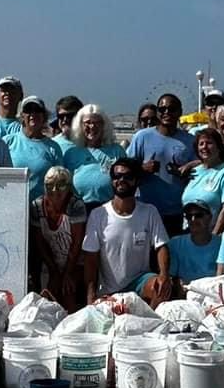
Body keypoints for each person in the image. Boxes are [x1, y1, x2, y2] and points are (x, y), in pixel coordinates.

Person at [83, 157, 171, 307]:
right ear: (111, 181)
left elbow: (161, 246)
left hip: (140, 282)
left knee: (160, 286)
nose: (121, 180)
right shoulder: (98, 214)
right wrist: (91, 296)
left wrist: (163, 275)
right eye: (117, 176)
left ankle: (150, 323)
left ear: (136, 181)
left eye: (127, 176)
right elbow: (90, 258)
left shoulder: (150, 211)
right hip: (109, 290)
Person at [127, 92, 194, 231]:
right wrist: (142, 168)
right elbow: (126, 169)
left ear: (180, 112)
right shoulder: (142, 137)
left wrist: (188, 167)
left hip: (176, 213)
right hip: (145, 210)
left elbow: (204, 166)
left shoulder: (190, 140)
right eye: (162, 109)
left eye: (172, 109)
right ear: (157, 112)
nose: (167, 112)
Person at [31, 167, 89, 310]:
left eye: (61, 185)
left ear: (69, 187)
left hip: (75, 262)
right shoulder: (37, 206)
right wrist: (54, 271)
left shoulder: (76, 205)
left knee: (68, 292)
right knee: (48, 297)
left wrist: (68, 273)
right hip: (50, 261)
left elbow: (77, 243)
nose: (55, 190)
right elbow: (40, 242)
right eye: (50, 186)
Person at [61, 104, 127, 211]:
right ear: (80, 126)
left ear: (104, 126)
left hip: (109, 209)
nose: (92, 126)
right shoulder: (71, 154)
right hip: (79, 210)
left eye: (97, 123)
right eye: (87, 123)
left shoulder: (117, 151)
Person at [5, 97, 63, 202]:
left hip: (41, 211)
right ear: (22, 116)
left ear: (44, 116)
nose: (33, 114)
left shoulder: (53, 147)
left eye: (37, 110)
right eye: (28, 110)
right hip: (11, 206)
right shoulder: (8, 141)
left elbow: (59, 182)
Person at [179, 127, 224, 231]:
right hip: (189, 232)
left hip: (210, 234)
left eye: (209, 143)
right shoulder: (194, 171)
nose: (204, 147)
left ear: (218, 146)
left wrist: (214, 234)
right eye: (201, 144)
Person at [165, 200, 222, 286]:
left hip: (213, 293)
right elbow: (171, 276)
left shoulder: (222, 244)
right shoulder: (175, 244)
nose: (193, 219)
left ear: (210, 217)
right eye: (189, 216)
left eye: (198, 215)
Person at [0, 76, 25, 142]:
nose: (7, 93)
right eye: (3, 90)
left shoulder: (24, 126)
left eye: (12, 90)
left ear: (21, 95)